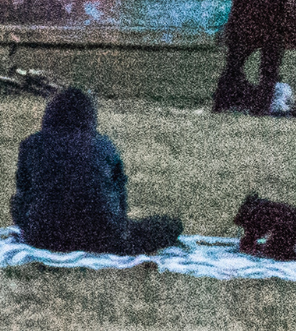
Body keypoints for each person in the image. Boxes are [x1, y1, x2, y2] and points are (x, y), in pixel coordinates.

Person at [11, 86, 183, 255]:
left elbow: (23, 194)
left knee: (16, 202)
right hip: (104, 238)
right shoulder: (104, 146)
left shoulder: (31, 144)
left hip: (43, 237)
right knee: (170, 225)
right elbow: (120, 199)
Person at [214, 0, 294, 113]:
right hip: (272, 24)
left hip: (243, 22)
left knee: (233, 65)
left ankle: (221, 103)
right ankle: (261, 107)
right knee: (268, 70)